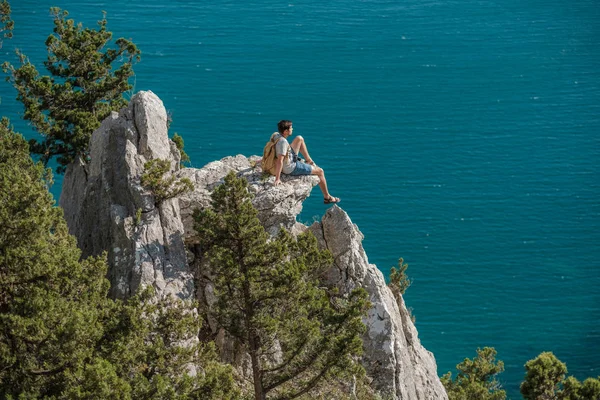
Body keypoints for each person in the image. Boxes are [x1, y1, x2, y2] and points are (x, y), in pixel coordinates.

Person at [273, 120, 340, 204]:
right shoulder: (283, 142)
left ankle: (309, 160)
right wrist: (277, 178)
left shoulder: (276, 136)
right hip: (290, 167)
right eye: (291, 128)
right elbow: (280, 160)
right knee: (320, 171)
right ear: (286, 131)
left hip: (289, 157)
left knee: (299, 138)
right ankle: (327, 197)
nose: (292, 129)